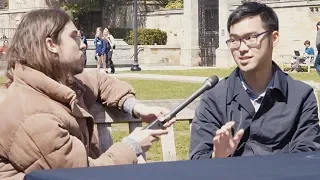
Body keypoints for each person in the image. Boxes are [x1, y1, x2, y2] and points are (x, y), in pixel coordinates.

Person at [0, 8, 175, 179]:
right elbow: (81, 174)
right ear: (51, 44)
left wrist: (137, 107)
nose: (83, 44)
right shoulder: (33, 116)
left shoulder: (61, 83)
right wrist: (132, 145)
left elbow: (100, 81)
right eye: (74, 36)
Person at [189, 2, 320, 160]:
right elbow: (198, 161)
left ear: (274, 38)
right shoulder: (214, 98)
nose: (242, 48)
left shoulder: (300, 96)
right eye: (234, 40)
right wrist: (218, 156)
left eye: (250, 38)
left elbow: (307, 155)